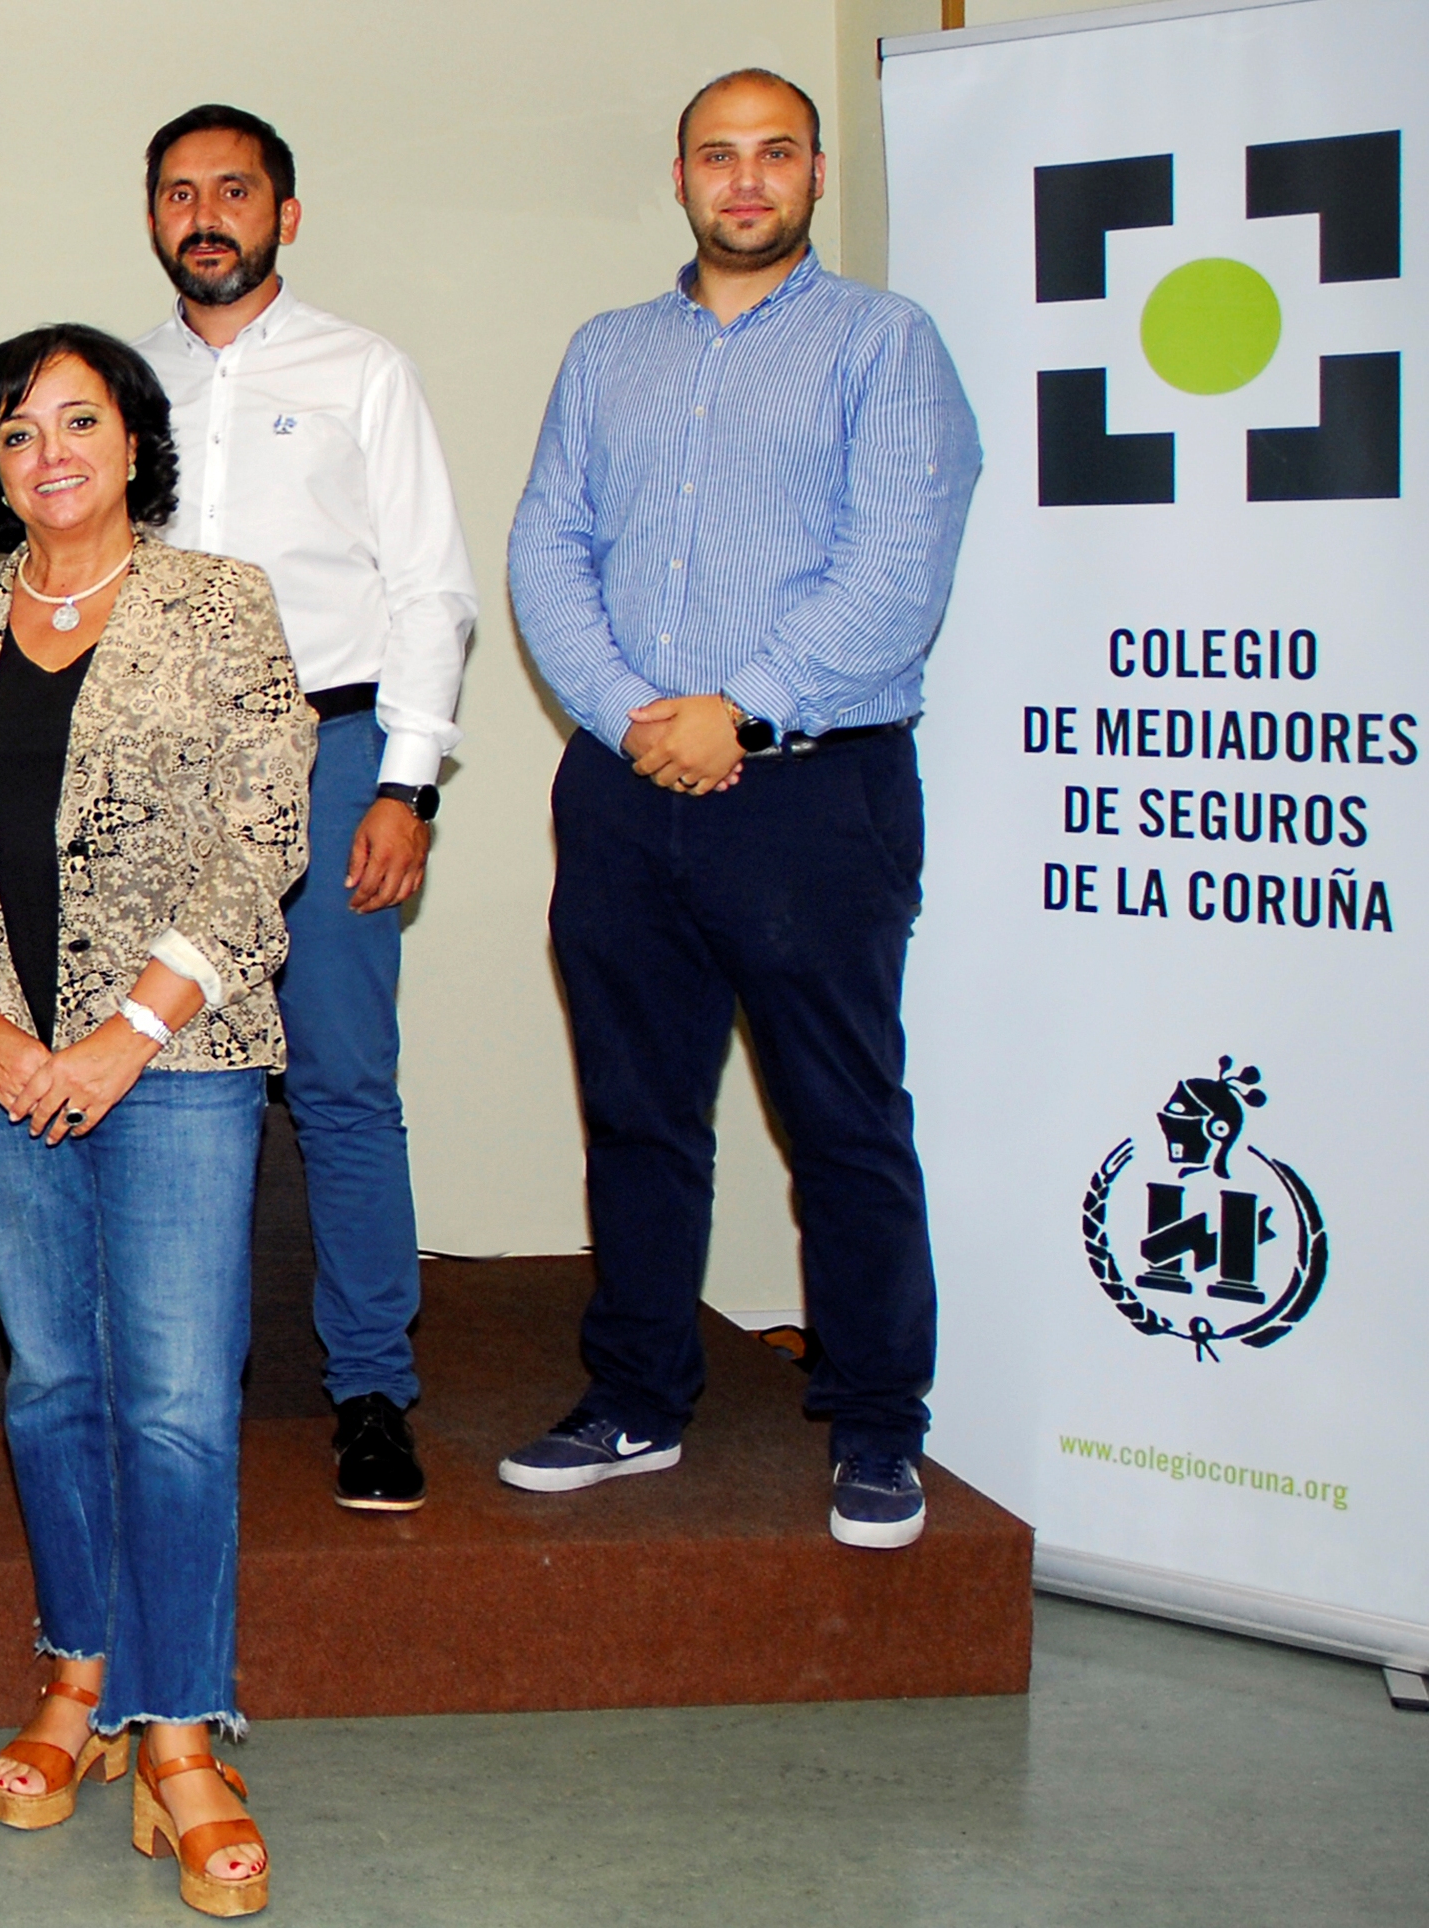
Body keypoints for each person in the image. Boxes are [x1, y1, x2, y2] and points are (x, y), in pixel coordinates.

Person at [0, 325, 305, 1917]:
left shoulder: (219, 605)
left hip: (176, 1057)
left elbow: (259, 836)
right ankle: (78, 1674)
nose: (49, 454)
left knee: (171, 1403)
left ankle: (180, 1729)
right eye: (15, 432)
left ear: (131, 442)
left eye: (78, 422)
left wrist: (125, 1034)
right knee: (50, 1388)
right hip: (2, 1070)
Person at [502, 69, 979, 1550]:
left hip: (813, 793)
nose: (747, 179)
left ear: (817, 173)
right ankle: (636, 1397)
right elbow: (546, 546)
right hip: (624, 784)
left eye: (776, 153)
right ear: (681, 178)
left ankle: (879, 1425)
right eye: (720, 155)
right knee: (638, 1116)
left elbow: (897, 564)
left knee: (841, 1120)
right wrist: (635, 716)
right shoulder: (607, 352)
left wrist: (742, 709)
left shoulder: (884, 344)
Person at [129, 104, 476, 1512]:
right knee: (169, 1074)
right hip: (162, 768)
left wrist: (406, 782)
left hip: (332, 754)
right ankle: (177, 1391)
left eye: (232, 189)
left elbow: (428, 590)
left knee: (338, 1082)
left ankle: (372, 1391)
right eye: (178, 192)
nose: (204, 213)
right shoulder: (121, 383)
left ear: (283, 212)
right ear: (153, 217)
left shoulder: (361, 370)